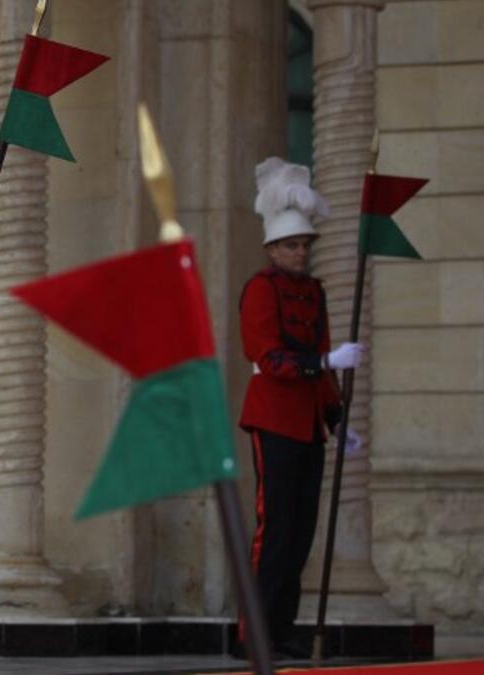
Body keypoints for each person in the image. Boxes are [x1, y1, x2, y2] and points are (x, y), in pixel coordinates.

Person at [238, 157, 365, 660]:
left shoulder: (315, 292)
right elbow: (267, 357)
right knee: (274, 532)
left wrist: (337, 421)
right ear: (273, 248)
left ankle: (283, 627)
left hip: (308, 424)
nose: (299, 252)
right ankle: (255, 633)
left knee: (302, 534)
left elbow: (324, 364)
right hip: (273, 419)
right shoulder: (260, 289)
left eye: (304, 245)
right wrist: (323, 360)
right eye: (292, 245)